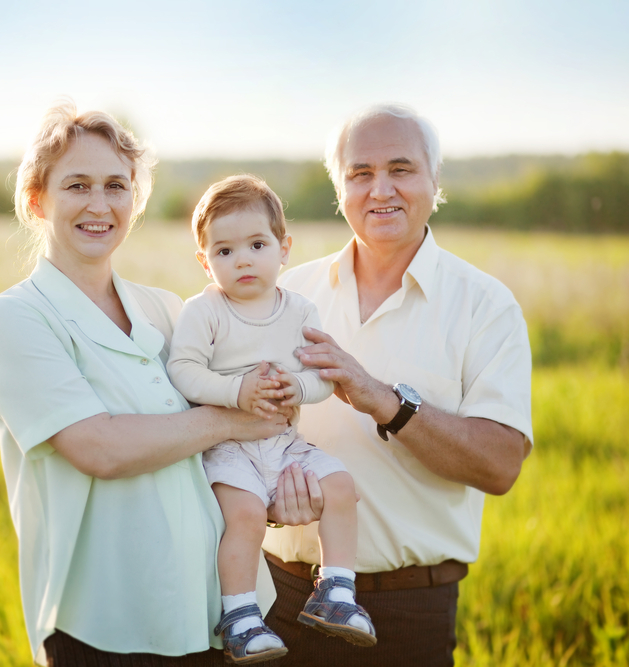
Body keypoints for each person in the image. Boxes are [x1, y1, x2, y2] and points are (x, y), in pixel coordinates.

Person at [0, 101, 292, 667]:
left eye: (116, 186)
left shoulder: (167, 310)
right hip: (105, 625)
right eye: (77, 185)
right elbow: (100, 448)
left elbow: (229, 444)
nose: (99, 205)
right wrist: (236, 417)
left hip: (214, 612)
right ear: (37, 200)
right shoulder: (15, 319)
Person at [261, 104, 534, 666]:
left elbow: (501, 464)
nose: (380, 188)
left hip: (406, 611)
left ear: (435, 182)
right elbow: (245, 426)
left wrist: (385, 401)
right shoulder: (286, 293)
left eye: (401, 169)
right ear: (339, 189)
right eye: (360, 173)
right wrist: (264, 499)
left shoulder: (485, 306)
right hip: (277, 596)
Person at [167, 175, 375, 663]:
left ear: (283, 249)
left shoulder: (298, 309)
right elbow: (183, 371)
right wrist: (236, 390)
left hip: (284, 442)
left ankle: (337, 592)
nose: (241, 259)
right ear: (204, 261)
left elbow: (323, 376)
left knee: (343, 487)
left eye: (256, 244)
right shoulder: (206, 311)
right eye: (223, 251)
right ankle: (240, 616)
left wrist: (298, 387)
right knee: (244, 518)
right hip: (229, 446)